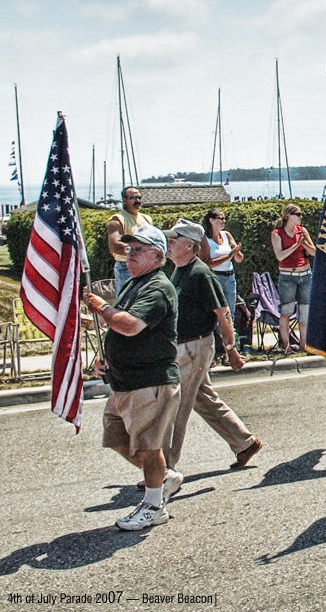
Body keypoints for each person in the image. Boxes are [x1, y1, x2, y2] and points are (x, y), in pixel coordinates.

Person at [84, 225, 182, 531]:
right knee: (115, 436)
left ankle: (154, 505)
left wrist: (101, 307)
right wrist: (106, 357)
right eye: (129, 249)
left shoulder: (157, 287)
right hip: (125, 381)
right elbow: (118, 327)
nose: (130, 255)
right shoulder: (136, 283)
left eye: (137, 249)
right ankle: (163, 478)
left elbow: (129, 325)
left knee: (148, 448)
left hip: (149, 381)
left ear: (157, 255)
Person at [163, 219, 263, 471]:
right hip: (185, 347)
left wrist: (232, 350)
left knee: (176, 408)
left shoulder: (199, 273)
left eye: (173, 241)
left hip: (195, 347)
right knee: (202, 398)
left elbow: (224, 313)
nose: (168, 244)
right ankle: (244, 443)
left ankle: (163, 468)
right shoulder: (179, 269)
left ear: (189, 246)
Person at [199, 209, 244, 360]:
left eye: (225, 218)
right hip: (214, 278)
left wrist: (236, 253)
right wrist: (228, 256)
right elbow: (206, 263)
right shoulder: (205, 239)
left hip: (229, 277)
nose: (224, 221)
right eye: (220, 218)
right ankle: (217, 350)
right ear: (211, 220)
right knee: (215, 315)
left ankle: (229, 351)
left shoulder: (226, 235)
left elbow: (238, 258)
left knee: (228, 314)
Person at [271, 204, 316, 351]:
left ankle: (304, 344)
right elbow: (280, 255)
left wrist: (304, 243)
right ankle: (286, 345)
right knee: (286, 311)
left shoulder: (302, 231)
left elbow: (314, 252)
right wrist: (297, 245)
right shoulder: (277, 233)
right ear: (288, 216)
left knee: (305, 311)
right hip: (287, 276)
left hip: (305, 274)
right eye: (298, 214)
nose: (300, 217)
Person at [106, 187, 153, 296]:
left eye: (139, 197)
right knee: (126, 304)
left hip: (147, 267)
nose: (137, 200)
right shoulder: (117, 220)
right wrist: (140, 250)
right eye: (133, 197)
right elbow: (114, 246)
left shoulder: (147, 219)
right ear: (124, 200)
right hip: (126, 269)